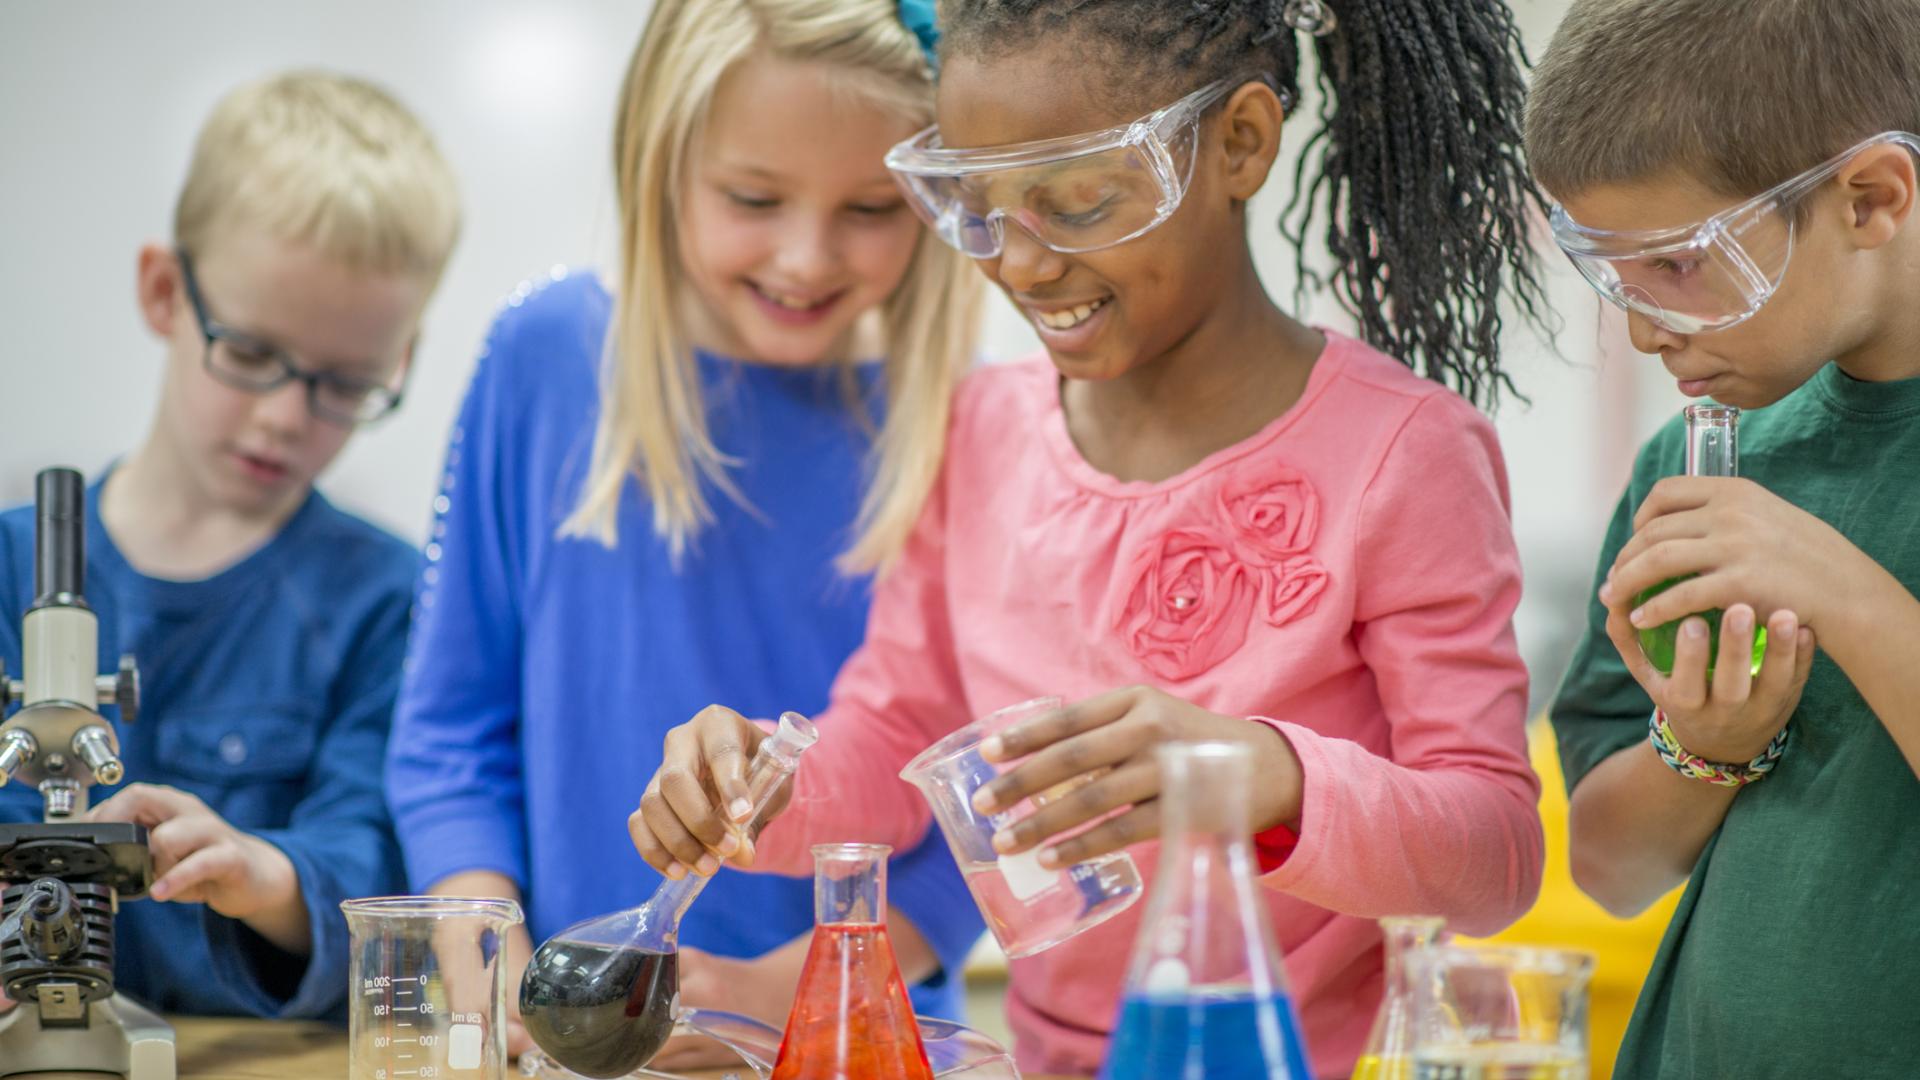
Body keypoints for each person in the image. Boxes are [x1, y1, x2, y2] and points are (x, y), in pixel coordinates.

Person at [630, 0, 1555, 1073]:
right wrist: (767, 781)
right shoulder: (979, 429)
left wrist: (1262, 774)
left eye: (1077, 203)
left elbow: (1496, 853)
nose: (1020, 264)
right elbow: (889, 740)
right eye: (976, 207)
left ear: (1241, 143)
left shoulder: (1404, 454)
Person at [383, 0, 985, 1065]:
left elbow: (976, 811)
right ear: (660, 160)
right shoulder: (545, 357)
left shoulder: (960, 426)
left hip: (850, 1038)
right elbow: (447, 740)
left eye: (873, 208)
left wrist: (781, 990)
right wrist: (511, 978)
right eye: (753, 197)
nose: (806, 258)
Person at [0, 70, 458, 1020]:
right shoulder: (13, 571)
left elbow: (373, 853)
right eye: (250, 354)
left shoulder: (384, 599)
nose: (285, 415)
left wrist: (266, 874)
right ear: (165, 292)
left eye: (346, 384)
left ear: (401, 360)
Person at [1531, 0, 1920, 1075]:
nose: (1647, 329)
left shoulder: (1757, 517)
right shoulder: (1700, 467)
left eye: (1681, 265)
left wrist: (1837, 587)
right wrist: (1704, 750)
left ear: (1873, 198)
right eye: (1613, 275)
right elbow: (1611, 868)